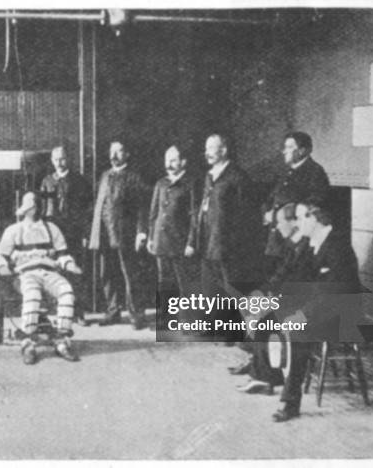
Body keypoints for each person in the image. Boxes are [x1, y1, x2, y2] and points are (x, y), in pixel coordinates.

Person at [272, 199, 362, 422]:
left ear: (316, 219)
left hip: (343, 315)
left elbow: (330, 295)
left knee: (299, 330)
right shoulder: (316, 243)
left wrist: (301, 316)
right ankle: (274, 374)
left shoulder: (336, 246)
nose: (299, 223)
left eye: (303, 218)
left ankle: (290, 403)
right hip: (325, 308)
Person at [0, 192, 82, 365]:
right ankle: (28, 343)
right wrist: (3, 267)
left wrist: (69, 265)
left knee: (66, 291)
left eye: (36, 207)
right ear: (26, 210)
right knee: (33, 294)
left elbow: (63, 254)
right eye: (31, 208)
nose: (35, 211)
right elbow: (1, 256)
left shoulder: (51, 228)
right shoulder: (14, 230)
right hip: (25, 273)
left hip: (49, 272)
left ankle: (62, 340)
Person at [235, 203, 314, 394]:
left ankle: (264, 377)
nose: (277, 227)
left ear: (294, 222)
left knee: (264, 319)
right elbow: (280, 275)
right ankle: (261, 370)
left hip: (305, 306)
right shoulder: (291, 244)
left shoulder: (306, 246)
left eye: (280, 222)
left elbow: (299, 281)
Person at [189, 134, 257, 340]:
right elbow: (202, 209)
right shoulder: (209, 176)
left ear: (224, 150)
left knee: (232, 287)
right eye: (206, 148)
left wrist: (236, 242)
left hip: (227, 244)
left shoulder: (237, 177)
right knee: (211, 286)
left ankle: (234, 332)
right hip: (208, 242)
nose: (207, 153)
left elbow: (247, 214)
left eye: (212, 148)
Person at [88, 141, 149, 330]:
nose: (114, 155)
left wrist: (141, 231)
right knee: (107, 273)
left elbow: (141, 207)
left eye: (119, 151)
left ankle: (136, 314)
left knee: (130, 274)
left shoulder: (133, 177)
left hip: (125, 234)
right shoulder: (104, 176)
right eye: (111, 151)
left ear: (127, 154)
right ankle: (113, 311)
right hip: (104, 234)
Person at [262, 132, 329, 275]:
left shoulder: (315, 172)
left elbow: (312, 207)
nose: (284, 151)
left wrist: (278, 215)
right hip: (276, 239)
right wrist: (266, 213)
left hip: (296, 241)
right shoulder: (286, 172)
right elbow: (272, 198)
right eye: (285, 147)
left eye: (289, 147)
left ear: (302, 150)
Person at [40, 146, 93, 325]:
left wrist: (86, 233)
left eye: (62, 159)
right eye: (56, 160)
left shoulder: (79, 181)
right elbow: (42, 209)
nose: (59, 163)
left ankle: (78, 313)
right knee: (54, 272)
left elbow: (87, 210)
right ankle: (58, 313)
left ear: (68, 159)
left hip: (74, 234)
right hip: (54, 236)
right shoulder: (47, 181)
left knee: (76, 272)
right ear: (51, 161)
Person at [147, 145, 197, 296]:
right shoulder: (161, 184)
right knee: (165, 282)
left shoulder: (191, 183)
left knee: (184, 282)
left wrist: (191, 242)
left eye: (173, 160)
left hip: (179, 243)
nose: (168, 164)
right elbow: (153, 213)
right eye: (167, 160)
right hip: (161, 241)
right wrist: (151, 238)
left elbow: (194, 215)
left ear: (183, 162)